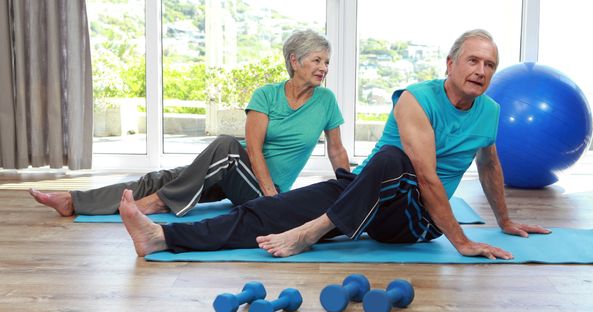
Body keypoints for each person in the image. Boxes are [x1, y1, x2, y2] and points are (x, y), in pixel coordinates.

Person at [120, 29, 551, 260]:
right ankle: (162, 238)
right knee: (266, 211)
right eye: (473, 60)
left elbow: (486, 166)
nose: (481, 70)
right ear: (451, 63)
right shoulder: (417, 99)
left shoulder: (489, 112)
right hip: (370, 193)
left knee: (390, 158)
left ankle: (313, 231)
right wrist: (465, 240)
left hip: (415, 223)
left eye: (490, 64)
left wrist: (498, 224)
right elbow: (417, 170)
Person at [29, 29, 349, 217]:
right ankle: (74, 201)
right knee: (163, 176)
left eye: (327, 62)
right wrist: (267, 192)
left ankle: (153, 205)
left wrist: (348, 187)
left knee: (225, 144)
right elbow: (253, 148)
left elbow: (336, 151)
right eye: (317, 60)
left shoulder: (326, 102)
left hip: (266, 189)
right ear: (295, 61)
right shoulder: (267, 95)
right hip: (240, 176)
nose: (324, 68)